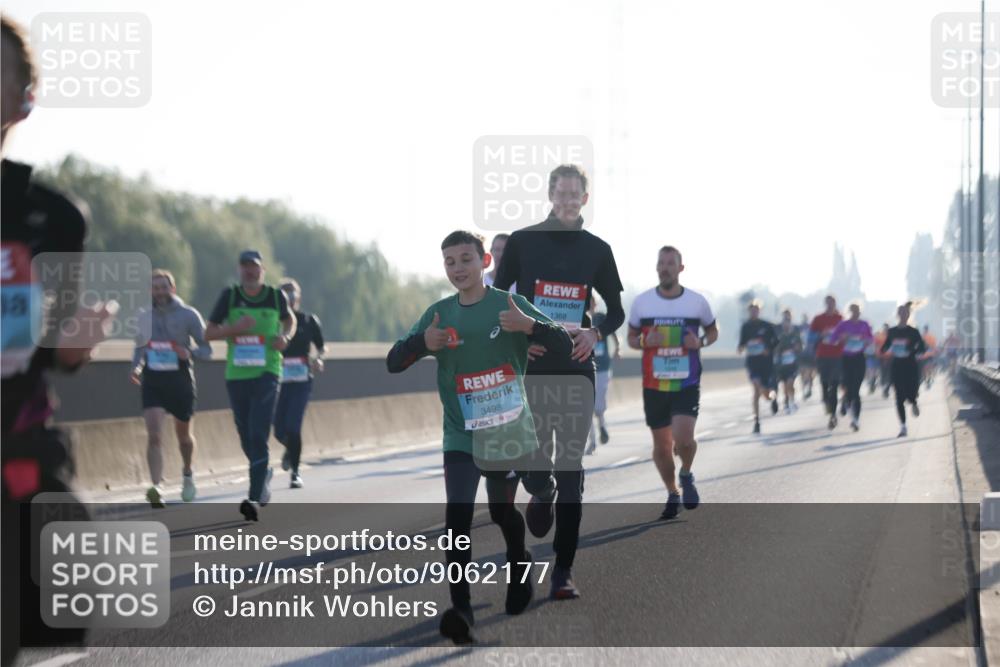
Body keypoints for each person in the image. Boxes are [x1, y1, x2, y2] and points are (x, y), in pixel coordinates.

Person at [386, 230, 571, 644]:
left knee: (504, 514)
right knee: (457, 519)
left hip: (507, 431)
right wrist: (422, 342)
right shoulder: (438, 314)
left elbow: (562, 343)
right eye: (450, 262)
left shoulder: (508, 304)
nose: (458, 269)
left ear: (485, 261)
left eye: (466, 260)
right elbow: (393, 362)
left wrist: (530, 326)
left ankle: (520, 560)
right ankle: (463, 611)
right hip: (461, 434)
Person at [1, 15, 116, 664]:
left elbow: (50, 348)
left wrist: (73, 343)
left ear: (24, 99)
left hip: (15, 445)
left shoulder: (51, 218)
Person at [494, 163, 625, 600]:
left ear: (584, 200)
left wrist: (595, 332)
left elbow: (616, 311)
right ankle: (540, 488)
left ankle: (563, 570)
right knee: (535, 463)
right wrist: (516, 339)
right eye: (561, 192)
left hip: (576, 366)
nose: (568, 200)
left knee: (572, 471)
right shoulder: (523, 241)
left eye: (576, 194)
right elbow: (498, 295)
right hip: (531, 365)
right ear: (550, 195)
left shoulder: (597, 250)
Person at [627, 246, 718, 520]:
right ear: (656, 268)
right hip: (654, 384)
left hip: (686, 382)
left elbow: (713, 330)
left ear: (680, 268)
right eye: (661, 263)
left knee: (684, 439)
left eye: (670, 263)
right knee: (662, 446)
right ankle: (672, 492)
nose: (665, 267)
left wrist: (700, 341)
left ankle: (686, 472)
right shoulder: (642, 302)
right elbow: (631, 338)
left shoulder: (696, 302)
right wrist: (645, 342)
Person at [205, 250, 295, 521]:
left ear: (262, 270)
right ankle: (263, 472)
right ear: (239, 270)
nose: (250, 272)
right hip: (237, 375)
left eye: (254, 267)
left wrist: (285, 337)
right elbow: (208, 333)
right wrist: (236, 328)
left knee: (257, 433)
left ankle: (254, 498)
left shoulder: (274, 296)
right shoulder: (229, 296)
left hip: (268, 371)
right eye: (245, 267)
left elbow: (289, 320)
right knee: (245, 434)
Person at [130, 269, 211, 506]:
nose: (160, 292)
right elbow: (139, 348)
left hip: (180, 380)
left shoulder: (189, 315)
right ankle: (156, 486)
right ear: (150, 291)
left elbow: (207, 350)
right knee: (154, 435)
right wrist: (135, 368)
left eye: (164, 287)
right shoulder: (143, 317)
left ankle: (187, 474)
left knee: (184, 437)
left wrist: (190, 352)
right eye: (155, 288)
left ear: (172, 289)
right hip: (153, 380)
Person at [273, 278, 325, 489]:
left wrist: (318, 358)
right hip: (278, 379)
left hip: (302, 380)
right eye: (285, 293)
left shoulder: (308, 320)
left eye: (292, 293)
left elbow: (321, 347)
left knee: (293, 427)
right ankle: (291, 449)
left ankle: (295, 472)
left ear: (298, 297)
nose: (290, 297)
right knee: (278, 430)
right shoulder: (274, 321)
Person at [881, 302, 927, 438]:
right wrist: (889, 349)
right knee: (899, 397)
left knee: (911, 392)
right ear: (897, 315)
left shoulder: (913, 332)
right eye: (900, 313)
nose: (902, 315)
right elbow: (884, 348)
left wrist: (911, 349)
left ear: (908, 315)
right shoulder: (892, 331)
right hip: (897, 366)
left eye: (905, 313)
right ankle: (903, 426)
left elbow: (922, 349)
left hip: (911, 366)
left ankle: (913, 402)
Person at [830, 303, 874, 432]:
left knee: (856, 390)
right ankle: (848, 405)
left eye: (858, 311)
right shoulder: (843, 325)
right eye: (853, 311)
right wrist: (842, 338)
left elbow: (871, 339)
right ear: (849, 311)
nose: (856, 313)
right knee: (849, 389)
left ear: (860, 312)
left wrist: (866, 340)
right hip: (846, 359)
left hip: (859, 358)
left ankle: (856, 420)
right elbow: (833, 340)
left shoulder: (864, 324)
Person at [586, 294, 621, 455]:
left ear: (595, 302)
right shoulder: (577, 317)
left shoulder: (601, 318)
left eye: (591, 300)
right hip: (585, 366)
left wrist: (618, 349)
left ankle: (601, 425)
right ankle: (592, 442)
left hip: (602, 366)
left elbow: (613, 333)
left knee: (598, 404)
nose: (589, 303)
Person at [737, 301, 779, 434]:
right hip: (752, 363)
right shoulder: (746, 326)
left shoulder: (767, 325)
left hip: (766, 363)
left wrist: (768, 349)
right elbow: (742, 343)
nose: (753, 312)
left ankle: (774, 398)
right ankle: (756, 421)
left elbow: (776, 342)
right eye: (751, 310)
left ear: (759, 311)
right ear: (749, 312)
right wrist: (740, 348)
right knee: (756, 389)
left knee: (766, 394)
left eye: (756, 310)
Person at [810, 295, 844, 429]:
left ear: (835, 304)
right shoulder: (818, 319)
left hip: (837, 355)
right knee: (824, 383)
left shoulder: (841, 319)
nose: (830, 305)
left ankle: (833, 415)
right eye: (828, 303)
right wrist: (820, 335)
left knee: (834, 384)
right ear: (825, 304)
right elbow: (810, 337)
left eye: (832, 303)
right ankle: (825, 400)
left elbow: (847, 335)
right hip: (822, 355)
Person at [774, 309, 802, 413]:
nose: (787, 321)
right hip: (781, 364)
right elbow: (775, 346)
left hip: (792, 363)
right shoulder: (778, 332)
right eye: (785, 318)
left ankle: (792, 400)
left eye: (788, 318)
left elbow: (800, 346)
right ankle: (786, 403)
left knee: (791, 383)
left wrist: (796, 348)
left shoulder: (795, 331)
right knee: (785, 385)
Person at [798, 313, 817, 399]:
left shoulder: (812, 328)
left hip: (810, 353)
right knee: (802, 372)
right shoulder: (798, 328)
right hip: (802, 353)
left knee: (810, 372)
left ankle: (809, 387)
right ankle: (803, 389)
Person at [876, 323, 893, 398]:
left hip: (890, 357)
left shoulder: (892, 336)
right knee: (883, 372)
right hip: (882, 357)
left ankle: (887, 388)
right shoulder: (879, 336)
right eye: (885, 328)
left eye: (887, 328)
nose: (886, 329)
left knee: (889, 373)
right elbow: (876, 346)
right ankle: (884, 387)